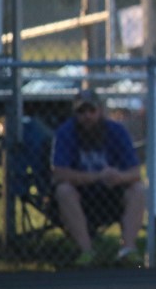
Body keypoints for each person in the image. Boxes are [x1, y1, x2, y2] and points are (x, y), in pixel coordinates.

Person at [51, 88, 146, 266]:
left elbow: (135, 173)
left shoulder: (117, 131)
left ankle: (127, 250)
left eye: (91, 110)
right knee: (63, 190)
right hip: (81, 196)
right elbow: (59, 173)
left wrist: (119, 177)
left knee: (138, 189)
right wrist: (97, 176)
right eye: (81, 111)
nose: (87, 116)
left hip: (111, 195)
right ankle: (86, 252)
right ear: (75, 113)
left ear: (100, 111)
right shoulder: (65, 132)